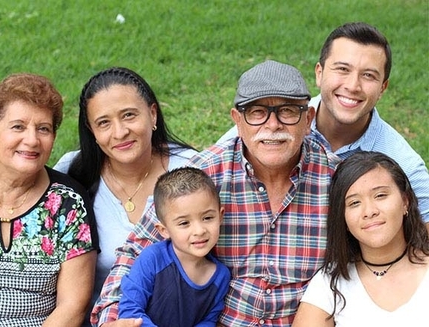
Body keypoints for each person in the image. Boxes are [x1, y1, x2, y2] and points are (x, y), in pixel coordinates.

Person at [92, 60, 340, 326]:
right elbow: (136, 251)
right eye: (257, 112)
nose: (273, 125)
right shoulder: (205, 175)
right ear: (237, 120)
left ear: (308, 119)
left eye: (288, 111)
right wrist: (112, 317)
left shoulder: (336, 181)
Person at [218, 22, 429, 227]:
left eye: (368, 75)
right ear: (319, 73)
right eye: (343, 69)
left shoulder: (404, 163)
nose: (353, 86)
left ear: (383, 88)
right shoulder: (275, 125)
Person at [0, 73, 97, 326]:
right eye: (18, 126)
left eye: (43, 129)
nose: (32, 140)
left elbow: (72, 307)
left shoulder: (68, 202)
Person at [53, 67, 197, 326]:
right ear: (91, 130)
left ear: (152, 114)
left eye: (129, 115)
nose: (119, 133)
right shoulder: (73, 173)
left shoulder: (193, 171)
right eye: (104, 123)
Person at [292, 151, 429, 326]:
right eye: (354, 203)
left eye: (380, 195)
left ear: (405, 201)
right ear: (343, 218)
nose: (369, 211)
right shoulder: (330, 283)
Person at [118, 167, 231, 326]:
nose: (199, 231)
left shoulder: (221, 276)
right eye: (184, 223)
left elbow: (208, 320)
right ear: (164, 230)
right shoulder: (152, 259)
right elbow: (130, 310)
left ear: (220, 216)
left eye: (207, 218)